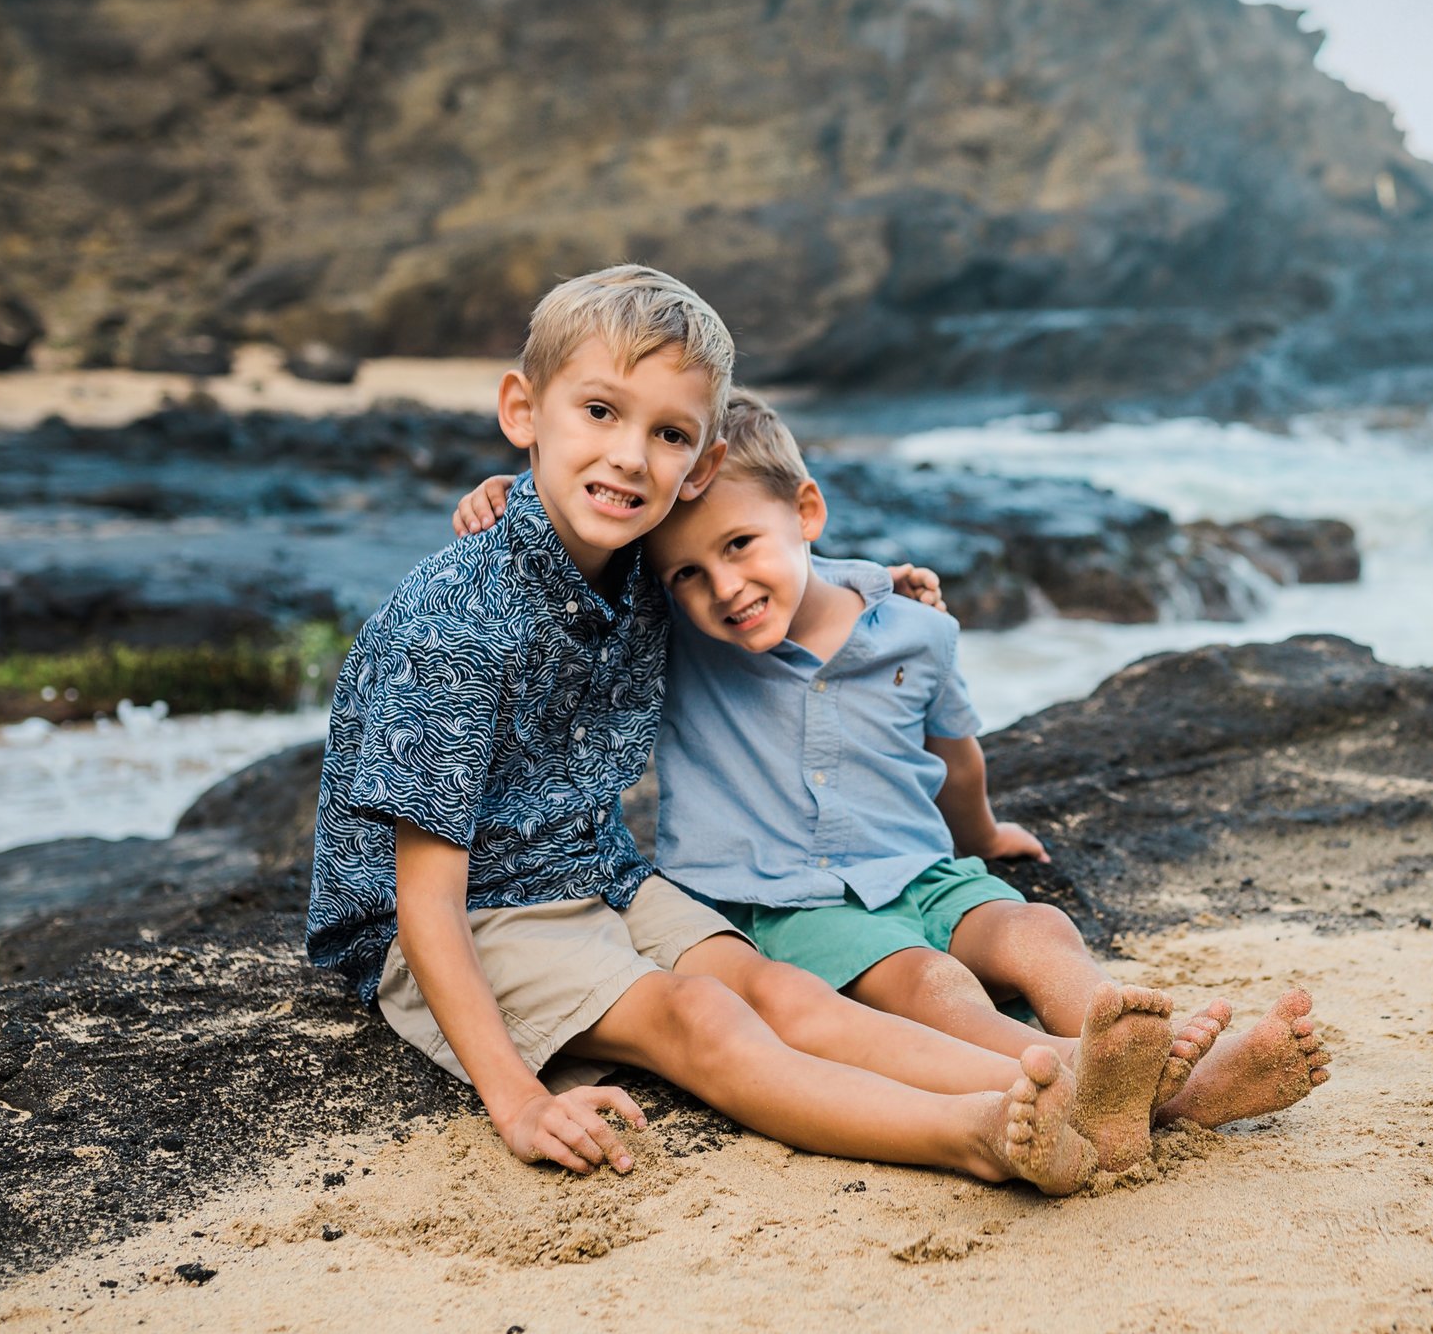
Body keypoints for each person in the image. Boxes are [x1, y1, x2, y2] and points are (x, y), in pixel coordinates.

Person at [308, 264, 1104, 1192]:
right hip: (457, 918)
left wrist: (878, 583)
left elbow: (762, 558)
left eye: (669, 433)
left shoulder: (653, 569)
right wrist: (517, 1098)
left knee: (779, 988)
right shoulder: (454, 621)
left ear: (702, 464)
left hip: (596, 869)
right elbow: (427, 900)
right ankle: (970, 1131)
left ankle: (1086, 1086)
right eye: (598, 412)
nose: (631, 457)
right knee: (702, 1017)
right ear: (523, 411)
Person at [452, 390, 1332, 1173]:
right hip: (793, 898)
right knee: (931, 983)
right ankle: (1134, 1087)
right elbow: (585, 545)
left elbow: (955, 758)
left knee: (1036, 926)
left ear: (808, 511)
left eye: (741, 545)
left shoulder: (916, 630)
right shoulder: (683, 633)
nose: (724, 586)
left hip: (917, 863)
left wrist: (981, 837)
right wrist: (510, 496)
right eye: (687, 571)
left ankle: (1125, 1044)